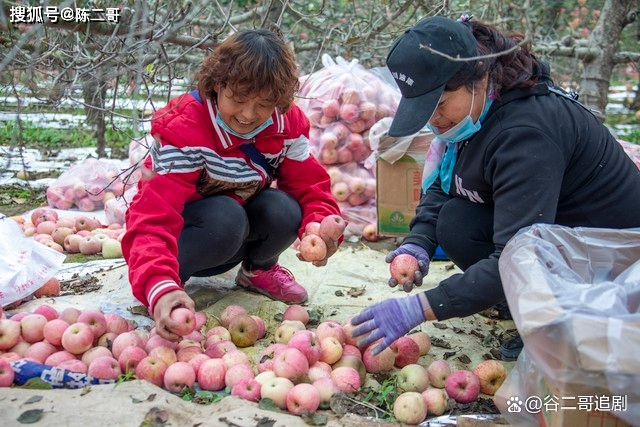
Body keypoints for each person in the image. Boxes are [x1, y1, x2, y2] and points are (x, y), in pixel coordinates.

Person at [350, 15, 640, 359]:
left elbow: (517, 259)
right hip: (558, 233)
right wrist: (418, 243)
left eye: (440, 105)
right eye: (425, 110)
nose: (435, 120)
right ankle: (524, 305)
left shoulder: (525, 134)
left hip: (611, 263)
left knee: (485, 244)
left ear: (479, 76)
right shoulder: (475, 116)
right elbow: (447, 185)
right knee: (456, 221)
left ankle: (563, 325)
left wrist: (422, 307)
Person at [122, 29, 342, 341]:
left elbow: (310, 185)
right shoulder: (181, 129)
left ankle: (258, 271)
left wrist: (320, 225)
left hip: (233, 237)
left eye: (264, 104)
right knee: (227, 217)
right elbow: (151, 216)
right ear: (216, 84)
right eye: (238, 99)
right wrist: (158, 284)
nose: (249, 115)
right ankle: (172, 288)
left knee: (284, 208)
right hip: (186, 243)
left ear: (279, 100)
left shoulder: (287, 124)